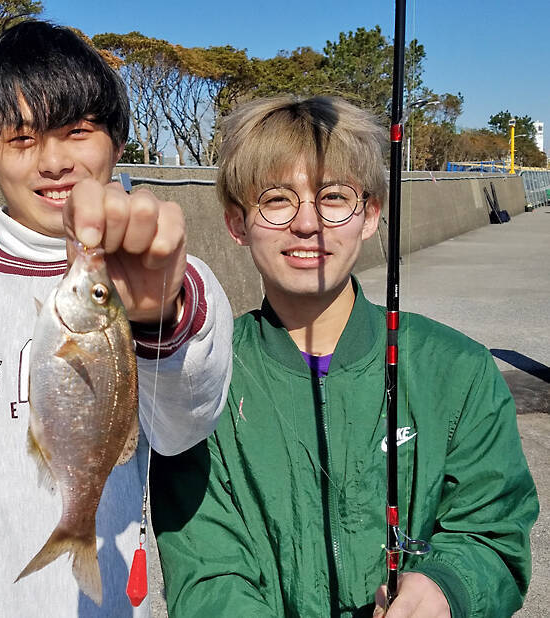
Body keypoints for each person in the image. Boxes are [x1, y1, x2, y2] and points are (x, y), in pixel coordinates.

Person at [0, 20, 232, 617]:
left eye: (77, 131)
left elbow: (181, 427)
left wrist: (159, 313)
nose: (54, 161)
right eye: (22, 138)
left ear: (117, 142)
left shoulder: (171, 281)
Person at [150, 96, 538, 617]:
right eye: (276, 199)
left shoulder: (459, 369)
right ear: (236, 223)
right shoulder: (195, 386)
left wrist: (447, 588)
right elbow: (206, 575)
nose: (307, 224)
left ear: (370, 215)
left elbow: (493, 533)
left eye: (333, 197)